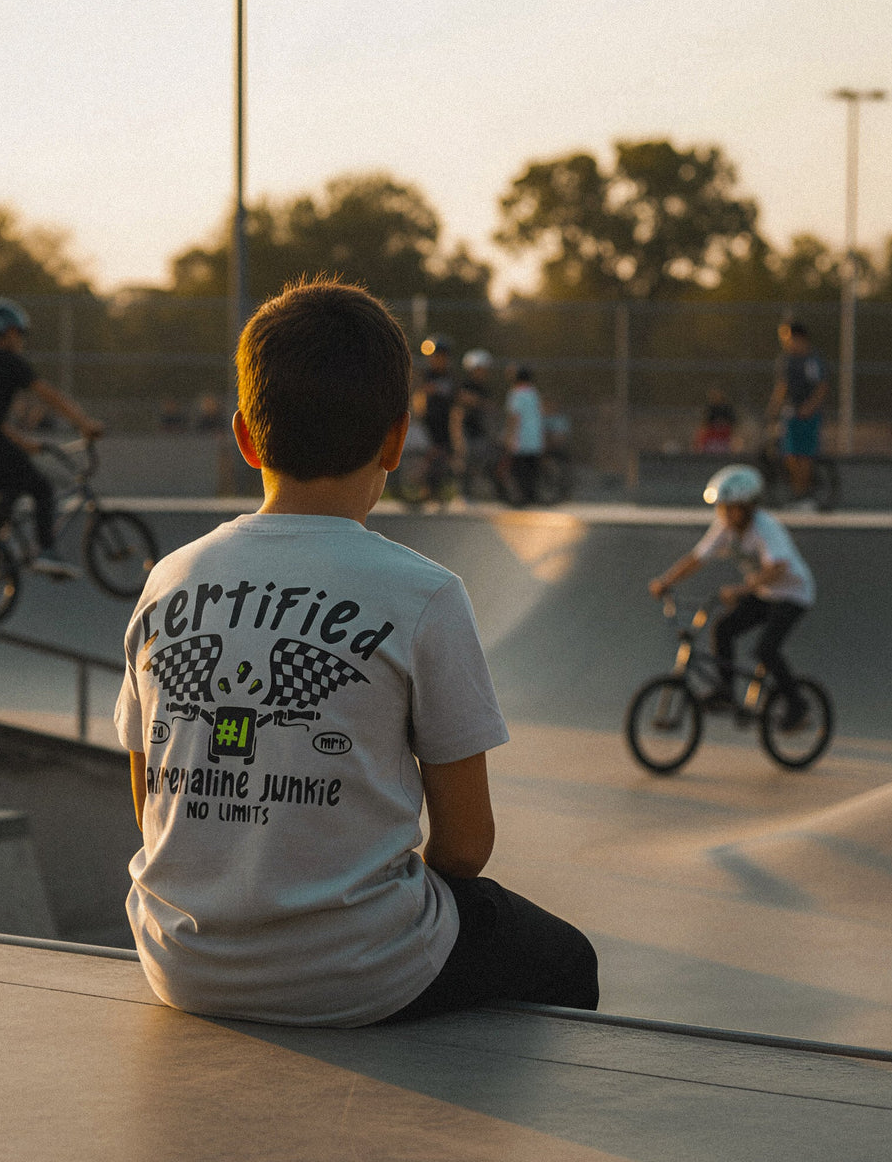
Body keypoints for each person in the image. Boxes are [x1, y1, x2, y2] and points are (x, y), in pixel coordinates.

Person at [114, 279, 598, 1027]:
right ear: (398, 438)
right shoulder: (424, 594)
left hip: (178, 960)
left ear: (245, 436)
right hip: (361, 974)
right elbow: (466, 848)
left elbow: (150, 805)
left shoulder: (167, 579)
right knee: (567, 959)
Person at [647, 463, 815, 731]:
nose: (724, 514)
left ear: (747, 506)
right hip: (765, 594)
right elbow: (697, 557)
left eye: (730, 507)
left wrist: (741, 590)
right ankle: (726, 692)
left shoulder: (765, 527)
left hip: (793, 595)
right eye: (721, 508)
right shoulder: (724, 527)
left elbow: (779, 567)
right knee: (723, 628)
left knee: (766, 649)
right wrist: (665, 581)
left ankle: (797, 704)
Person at [0, 297, 103, 579]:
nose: (21, 341)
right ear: (7, 333)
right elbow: (49, 395)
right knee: (40, 487)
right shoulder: (8, 362)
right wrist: (84, 423)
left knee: (12, 487)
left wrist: (23, 443)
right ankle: (45, 551)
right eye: (18, 334)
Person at [768, 322, 828, 508]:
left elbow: (821, 386)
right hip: (791, 412)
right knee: (790, 454)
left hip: (808, 414)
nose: (786, 343)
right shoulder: (786, 360)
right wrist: (774, 408)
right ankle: (796, 494)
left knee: (805, 455)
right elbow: (782, 386)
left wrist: (809, 407)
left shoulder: (812, 361)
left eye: (789, 338)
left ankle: (805, 496)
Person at [449, 348, 501, 501]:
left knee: (484, 459)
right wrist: (480, 402)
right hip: (465, 428)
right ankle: (463, 494)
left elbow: (490, 406)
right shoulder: (466, 384)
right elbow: (463, 398)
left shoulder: (485, 388)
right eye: (480, 369)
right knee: (465, 459)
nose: (483, 372)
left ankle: (486, 492)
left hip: (480, 429)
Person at [411, 336, 457, 503]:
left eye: (440, 356)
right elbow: (419, 396)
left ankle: (433, 491)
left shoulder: (449, 376)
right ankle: (422, 487)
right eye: (434, 357)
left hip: (444, 421)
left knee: (441, 457)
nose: (437, 360)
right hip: (429, 421)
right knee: (431, 454)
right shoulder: (427, 375)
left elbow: (453, 397)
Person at [503, 367, 545, 506]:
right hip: (535, 437)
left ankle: (522, 498)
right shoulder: (534, 393)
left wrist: (509, 435)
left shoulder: (516, 393)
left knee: (519, 470)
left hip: (521, 438)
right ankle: (532, 495)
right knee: (532, 469)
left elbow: (514, 416)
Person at [693, 387, 738, 454]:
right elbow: (705, 422)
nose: (715, 398)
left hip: (725, 432)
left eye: (716, 395)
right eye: (713, 396)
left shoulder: (727, 408)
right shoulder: (710, 409)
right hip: (712, 432)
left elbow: (733, 422)